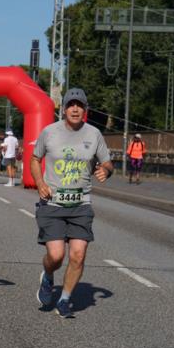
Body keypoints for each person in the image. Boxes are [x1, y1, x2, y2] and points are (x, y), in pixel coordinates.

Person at [31, 88, 114, 318]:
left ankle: (65, 299)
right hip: (53, 203)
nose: (75, 109)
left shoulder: (94, 134)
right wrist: (39, 183)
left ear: (85, 109)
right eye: (71, 105)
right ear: (64, 109)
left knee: (78, 254)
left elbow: (108, 163)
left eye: (79, 105)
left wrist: (105, 171)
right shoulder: (49, 132)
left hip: (81, 204)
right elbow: (35, 159)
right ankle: (48, 276)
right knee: (56, 256)